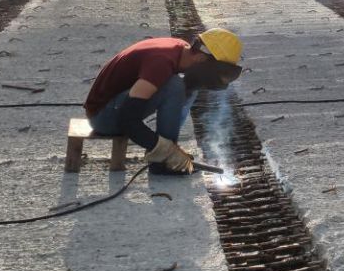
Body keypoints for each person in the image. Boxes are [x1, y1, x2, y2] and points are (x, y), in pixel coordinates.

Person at [84, 28, 243, 174]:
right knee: (174, 87)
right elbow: (128, 120)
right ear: (201, 58)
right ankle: (163, 160)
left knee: (185, 88)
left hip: (114, 106)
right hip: (103, 118)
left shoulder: (181, 48)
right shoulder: (161, 62)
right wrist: (165, 150)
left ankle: (166, 152)